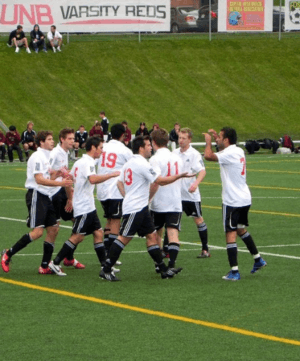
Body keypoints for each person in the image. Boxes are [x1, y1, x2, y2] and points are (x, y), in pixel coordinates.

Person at [100, 135, 193, 282]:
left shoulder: (129, 163)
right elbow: (160, 181)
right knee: (124, 238)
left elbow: (119, 183)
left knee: (152, 236)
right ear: (141, 148)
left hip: (140, 208)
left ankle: (163, 270)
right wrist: (180, 176)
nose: (151, 147)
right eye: (148, 145)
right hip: (135, 208)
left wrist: (128, 196)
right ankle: (106, 269)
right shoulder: (141, 163)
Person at [1, 131, 73, 275]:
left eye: (52, 139)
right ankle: (8, 254)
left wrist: (58, 174)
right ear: (41, 142)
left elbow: (47, 175)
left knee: (53, 228)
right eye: (49, 139)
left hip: (45, 196)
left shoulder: (45, 156)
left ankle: (44, 266)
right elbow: (39, 180)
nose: (52, 142)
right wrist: (59, 182)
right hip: (36, 195)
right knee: (38, 232)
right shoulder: (37, 157)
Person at [48, 136, 120, 276]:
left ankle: (105, 266)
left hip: (88, 206)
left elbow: (69, 179)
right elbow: (92, 179)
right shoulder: (87, 163)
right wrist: (111, 175)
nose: (102, 151)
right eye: (100, 148)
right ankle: (55, 263)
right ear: (93, 148)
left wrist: (71, 197)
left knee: (98, 233)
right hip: (84, 207)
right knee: (78, 236)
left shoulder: (80, 162)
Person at [203, 127, 267, 281]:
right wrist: (217, 140)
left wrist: (209, 142)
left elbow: (208, 156)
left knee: (230, 233)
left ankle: (234, 271)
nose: (218, 138)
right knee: (240, 229)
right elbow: (221, 152)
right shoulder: (237, 150)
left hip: (232, 200)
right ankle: (258, 259)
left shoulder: (229, 153)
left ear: (226, 140)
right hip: (244, 198)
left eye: (220, 137)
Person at [49, 128, 85, 270]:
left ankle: (69, 257)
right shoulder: (55, 154)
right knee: (54, 229)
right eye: (70, 139)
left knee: (78, 222)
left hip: (63, 192)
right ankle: (47, 263)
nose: (73, 141)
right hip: (53, 194)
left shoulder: (66, 152)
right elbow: (47, 175)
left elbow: (62, 174)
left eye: (73, 138)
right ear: (62, 139)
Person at [96, 124, 133, 263]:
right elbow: (133, 165)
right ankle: (111, 255)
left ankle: (106, 252)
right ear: (123, 135)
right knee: (116, 221)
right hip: (115, 191)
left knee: (109, 220)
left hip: (101, 190)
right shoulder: (124, 150)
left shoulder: (103, 147)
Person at [172, 127, 209, 258]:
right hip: (176, 194)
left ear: (189, 139)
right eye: (179, 138)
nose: (180, 140)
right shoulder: (174, 153)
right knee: (172, 222)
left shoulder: (194, 154)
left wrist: (195, 183)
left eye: (183, 138)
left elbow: (202, 171)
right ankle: (167, 250)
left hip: (190, 195)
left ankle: (205, 249)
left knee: (198, 220)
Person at [149, 128, 183, 271]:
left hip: (159, 202)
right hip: (175, 200)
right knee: (173, 232)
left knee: (157, 233)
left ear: (153, 142)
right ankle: (172, 264)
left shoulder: (154, 159)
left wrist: (148, 198)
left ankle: (159, 264)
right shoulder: (177, 157)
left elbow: (155, 181)